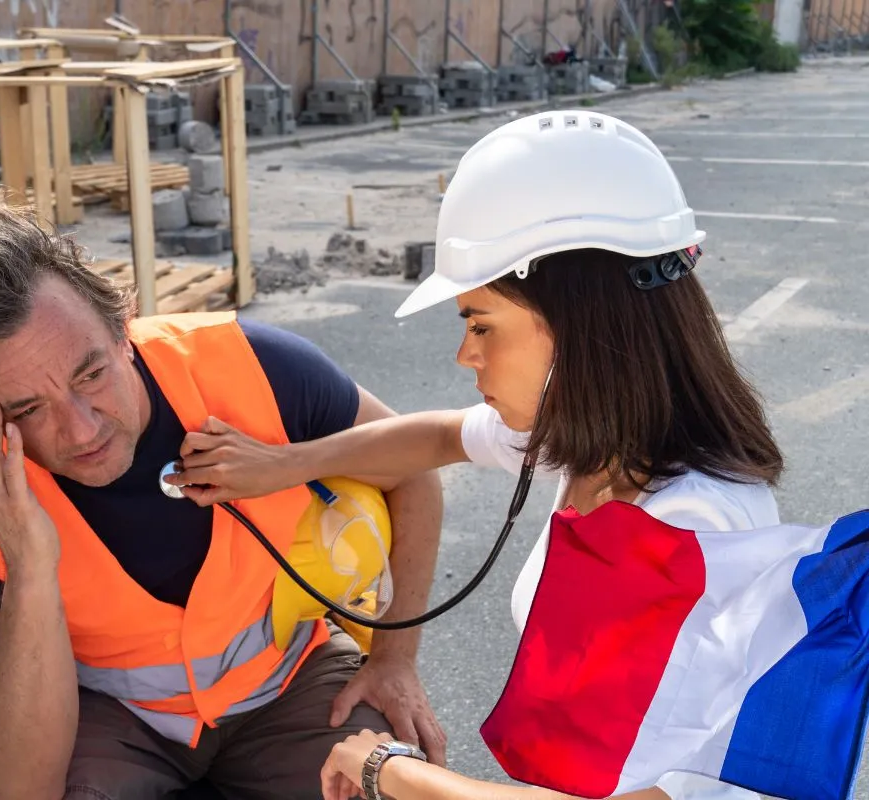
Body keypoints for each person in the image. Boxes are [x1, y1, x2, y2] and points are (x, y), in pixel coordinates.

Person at [163, 109, 785, 800]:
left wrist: (387, 768)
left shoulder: (689, 530)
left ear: (579, 328)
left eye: (482, 325)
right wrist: (282, 466)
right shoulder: (606, 444)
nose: (465, 354)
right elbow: (436, 437)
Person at [0, 202, 448, 800]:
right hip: (101, 716)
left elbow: (413, 468)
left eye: (91, 375)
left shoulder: (251, 366)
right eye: (29, 409)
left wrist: (394, 659)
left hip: (284, 680)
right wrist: (29, 564)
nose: (83, 430)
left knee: (394, 785)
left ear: (124, 330)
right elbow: (23, 782)